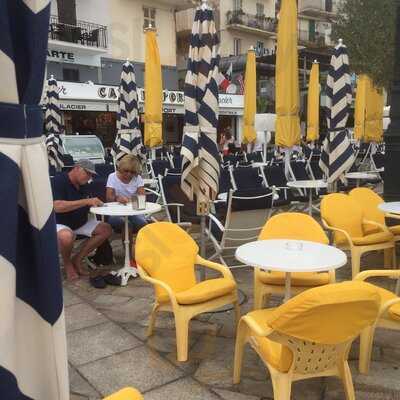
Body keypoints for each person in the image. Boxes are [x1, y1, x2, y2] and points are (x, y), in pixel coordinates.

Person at [52, 159, 112, 281]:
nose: (89, 177)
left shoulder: (84, 185)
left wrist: (97, 204)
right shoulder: (58, 181)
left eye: (91, 175)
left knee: (106, 229)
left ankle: (78, 259)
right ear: (76, 168)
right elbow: (56, 206)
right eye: (87, 173)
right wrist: (86, 201)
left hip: (80, 222)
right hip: (59, 223)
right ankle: (68, 264)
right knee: (66, 236)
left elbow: (87, 202)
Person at [106, 155, 148, 257]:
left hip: (133, 212)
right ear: (121, 168)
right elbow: (108, 197)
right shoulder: (112, 176)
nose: (129, 174)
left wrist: (130, 200)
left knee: (145, 224)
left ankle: (144, 252)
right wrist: (117, 198)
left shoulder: (137, 178)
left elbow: (142, 197)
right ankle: (128, 256)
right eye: (126, 171)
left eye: (132, 172)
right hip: (115, 213)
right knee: (127, 224)